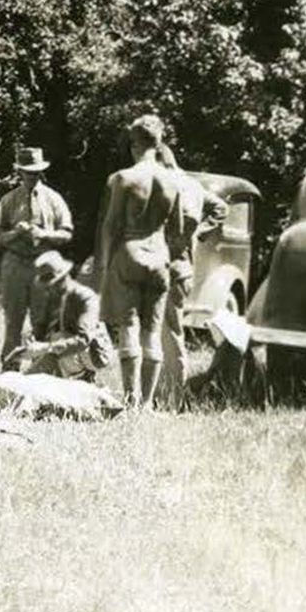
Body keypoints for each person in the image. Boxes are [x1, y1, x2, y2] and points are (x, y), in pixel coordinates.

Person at [96, 114, 184, 407]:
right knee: (152, 331)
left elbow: (111, 225)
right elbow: (178, 230)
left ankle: (130, 399)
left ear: (133, 144)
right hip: (159, 255)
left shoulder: (124, 178)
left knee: (129, 326)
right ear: (159, 144)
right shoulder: (173, 181)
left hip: (130, 252)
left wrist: (104, 265)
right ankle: (146, 404)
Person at [156, 143, 229, 405]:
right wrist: (200, 232)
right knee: (169, 334)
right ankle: (166, 395)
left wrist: (197, 232)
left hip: (169, 268)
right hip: (183, 269)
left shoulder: (167, 185)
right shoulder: (193, 185)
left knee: (167, 335)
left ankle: (174, 397)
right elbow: (221, 208)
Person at [0, 146, 73, 368]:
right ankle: (9, 372)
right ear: (20, 172)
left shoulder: (53, 199)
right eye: (28, 172)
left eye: (36, 172)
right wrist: (16, 233)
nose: (32, 176)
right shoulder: (9, 200)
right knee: (13, 324)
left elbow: (66, 233)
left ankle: (40, 372)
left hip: (44, 266)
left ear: (42, 172)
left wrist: (44, 234)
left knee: (42, 324)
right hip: (15, 264)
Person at [9, 251, 113, 382]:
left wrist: (45, 348)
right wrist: (29, 344)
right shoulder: (53, 297)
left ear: (64, 278)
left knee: (59, 338)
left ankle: (82, 377)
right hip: (61, 347)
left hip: (94, 353)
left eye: (52, 285)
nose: (48, 290)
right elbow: (42, 327)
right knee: (29, 380)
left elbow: (84, 339)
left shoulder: (85, 298)